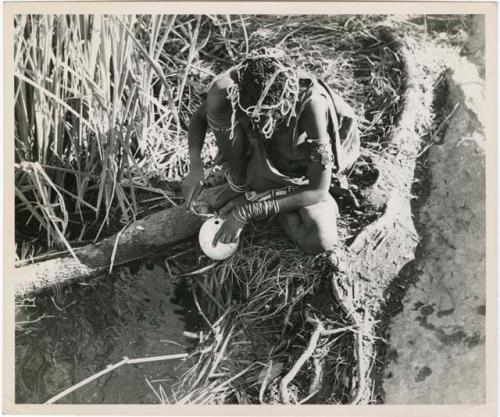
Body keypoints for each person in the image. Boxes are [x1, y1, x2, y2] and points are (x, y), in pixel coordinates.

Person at [181, 48, 360, 255]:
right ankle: (241, 184)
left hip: (300, 169)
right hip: (266, 153)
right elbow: (200, 117)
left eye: (269, 115)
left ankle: (268, 198)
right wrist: (196, 166)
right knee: (219, 100)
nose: (260, 121)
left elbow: (318, 190)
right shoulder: (242, 83)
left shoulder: (312, 107)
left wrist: (248, 211)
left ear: (285, 103)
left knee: (320, 239)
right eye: (254, 114)